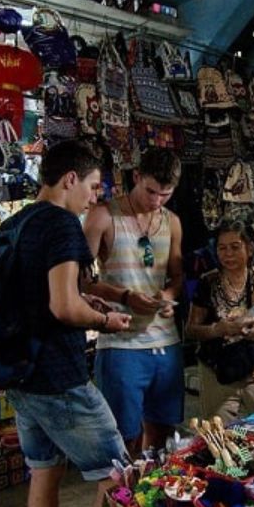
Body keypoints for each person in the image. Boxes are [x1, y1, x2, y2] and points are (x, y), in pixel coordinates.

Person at [4, 141, 131, 507]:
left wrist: (84, 301)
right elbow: (62, 307)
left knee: (44, 473)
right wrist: (105, 321)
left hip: (22, 374)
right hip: (59, 377)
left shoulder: (17, 223)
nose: (96, 197)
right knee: (117, 476)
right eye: (93, 186)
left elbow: (42, 298)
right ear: (70, 179)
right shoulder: (62, 224)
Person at [84, 149, 184, 456]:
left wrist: (168, 297)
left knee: (163, 437)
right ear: (136, 177)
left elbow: (178, 277)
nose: (157, 201)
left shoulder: (172, 222)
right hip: (121, 344)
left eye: (165, 194)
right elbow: (79, 280)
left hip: (166, 342)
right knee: (124, 440)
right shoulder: (103, 215)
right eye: (151, 191)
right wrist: (125, 297)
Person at [186, 220, 254, 420]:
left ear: (249, 248)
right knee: (219, 432)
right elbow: (191, 329)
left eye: (235, 247)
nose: (228, 254)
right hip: (219, 373)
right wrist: (218, 329)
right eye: (222, 248)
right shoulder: (208, 282)